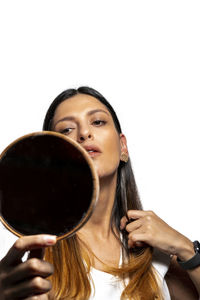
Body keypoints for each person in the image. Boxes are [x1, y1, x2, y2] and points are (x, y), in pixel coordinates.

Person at [0, 86, 199, 300]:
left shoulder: (157, 255)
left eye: (98, 122)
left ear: (123, 147)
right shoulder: (35, 267)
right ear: (53, 152)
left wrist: (186, 248)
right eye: (66, 130)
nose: (84, 133)